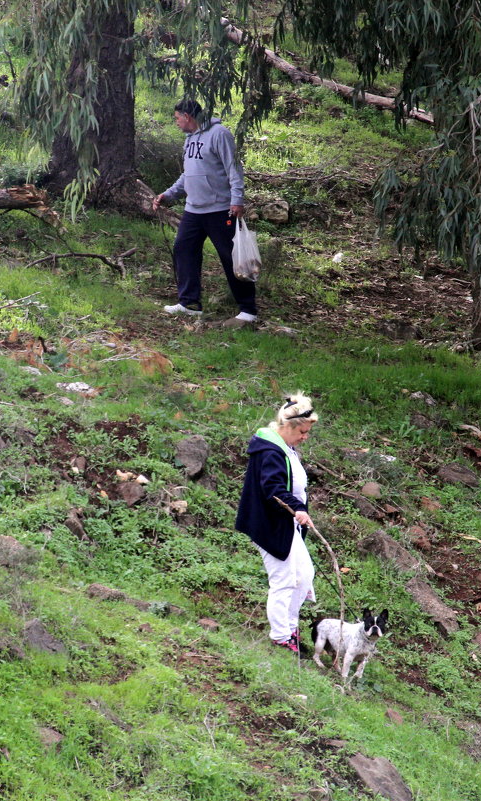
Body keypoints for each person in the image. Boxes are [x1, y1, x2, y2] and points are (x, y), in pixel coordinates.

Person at [152, 99, 258, 329]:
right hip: (193, 209)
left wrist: (237, 199)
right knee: (184, 248)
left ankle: (248, 310)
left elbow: (234, 168)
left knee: (231, 257)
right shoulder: (189, 139)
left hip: (220, 208)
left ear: (187, 116)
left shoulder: (219, 134)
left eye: (177, 118)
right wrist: (168, 195)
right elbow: (188, 174)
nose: (176, 122)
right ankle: (190, 304)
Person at [235, 393, 318, 654]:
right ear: (289, 426)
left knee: (304, 575)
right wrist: (297, 508)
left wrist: (298, 511)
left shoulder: (285, 447)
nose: (305, 437)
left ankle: (291, 629)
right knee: (284, 579)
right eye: (303, 431)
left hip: (287, 523)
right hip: (270, 523)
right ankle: (281, 637)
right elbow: (272, 488)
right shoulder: (271, 451)